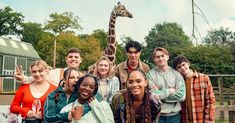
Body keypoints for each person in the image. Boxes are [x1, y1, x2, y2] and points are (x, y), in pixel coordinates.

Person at [146, 47, 185, 123]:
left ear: (167, 57)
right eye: (157, 57)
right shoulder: (150, 75)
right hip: (157, 116)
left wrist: (160, 95)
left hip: (174, 116)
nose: (160, 58)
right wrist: (170, 91)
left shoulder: (177, 74)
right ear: (154, 59)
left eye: (162, 56)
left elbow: (181, 96)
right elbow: (152, 96)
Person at [172, 55, 215, 123]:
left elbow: (210, 101)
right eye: (179, 67)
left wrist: (208, 119)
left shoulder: (204, 78)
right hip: (185, 119)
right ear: (176, 70)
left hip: (201, 119)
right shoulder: (177, 83)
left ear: (188, 63)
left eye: (183, 64)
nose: (182, 68)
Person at [14, 47, 83, 86]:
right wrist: (22, 78)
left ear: (80, 60)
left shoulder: (84, 77)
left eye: (76, 57)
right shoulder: (55, 73)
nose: (73, 59)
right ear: (66, 60)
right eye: (70, 57)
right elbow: (37, 78)